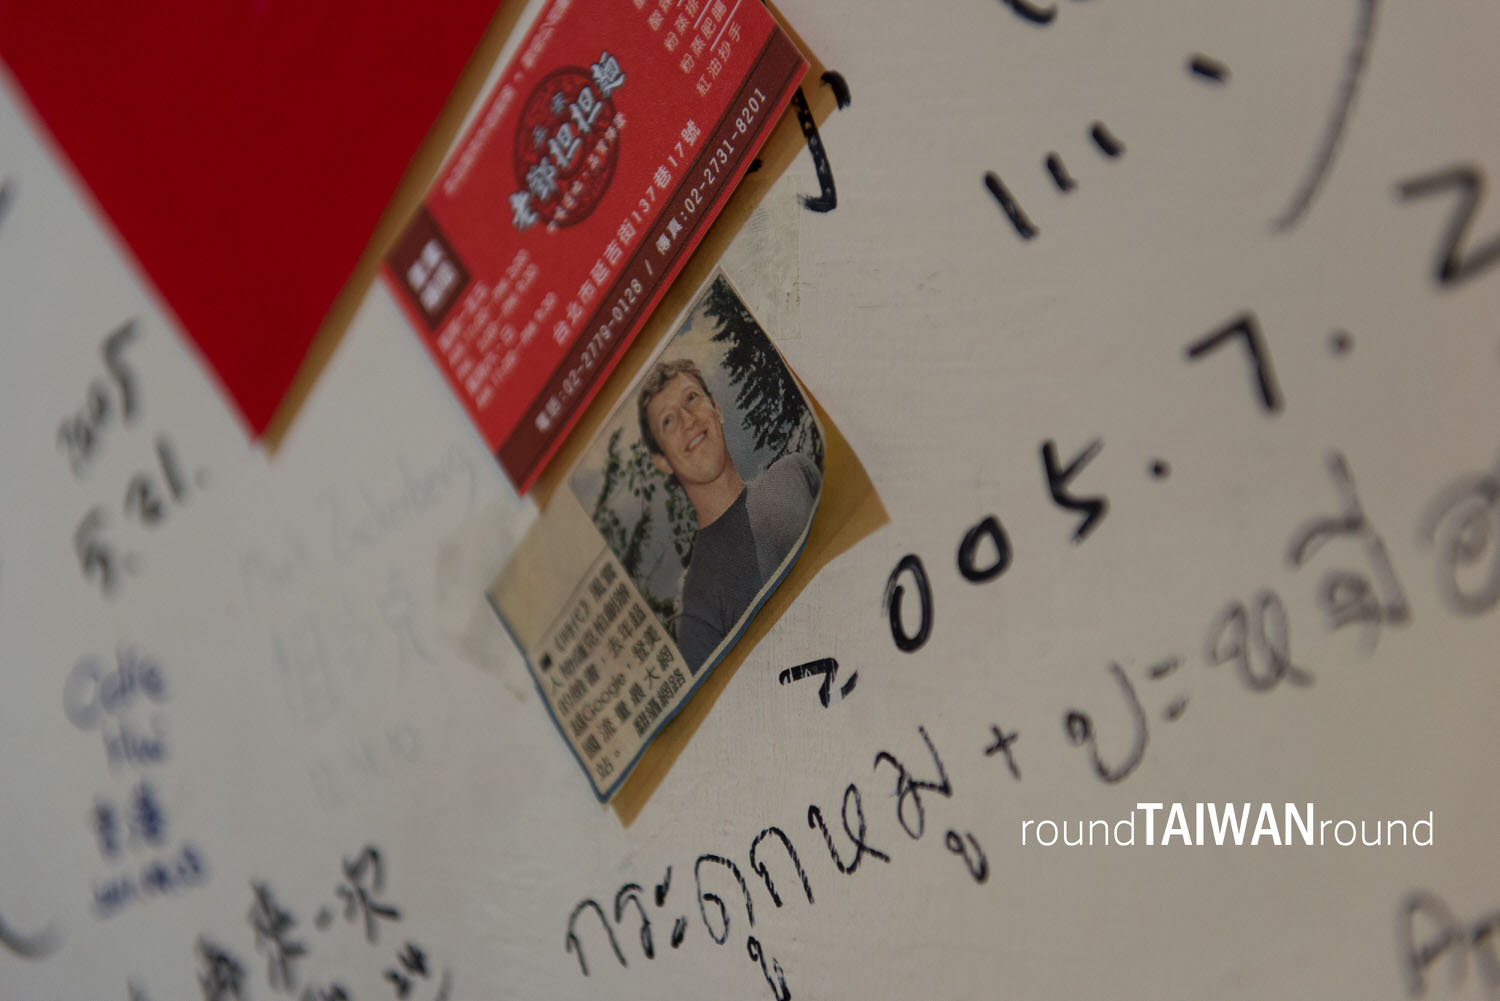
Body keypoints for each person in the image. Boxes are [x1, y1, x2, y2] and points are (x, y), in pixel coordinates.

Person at [637, 358, 821, 672]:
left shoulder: (794, 474)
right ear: (662, 461)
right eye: (668, 420)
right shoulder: (696, 610)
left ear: (717, 409)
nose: (687, 420)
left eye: (691, 398)